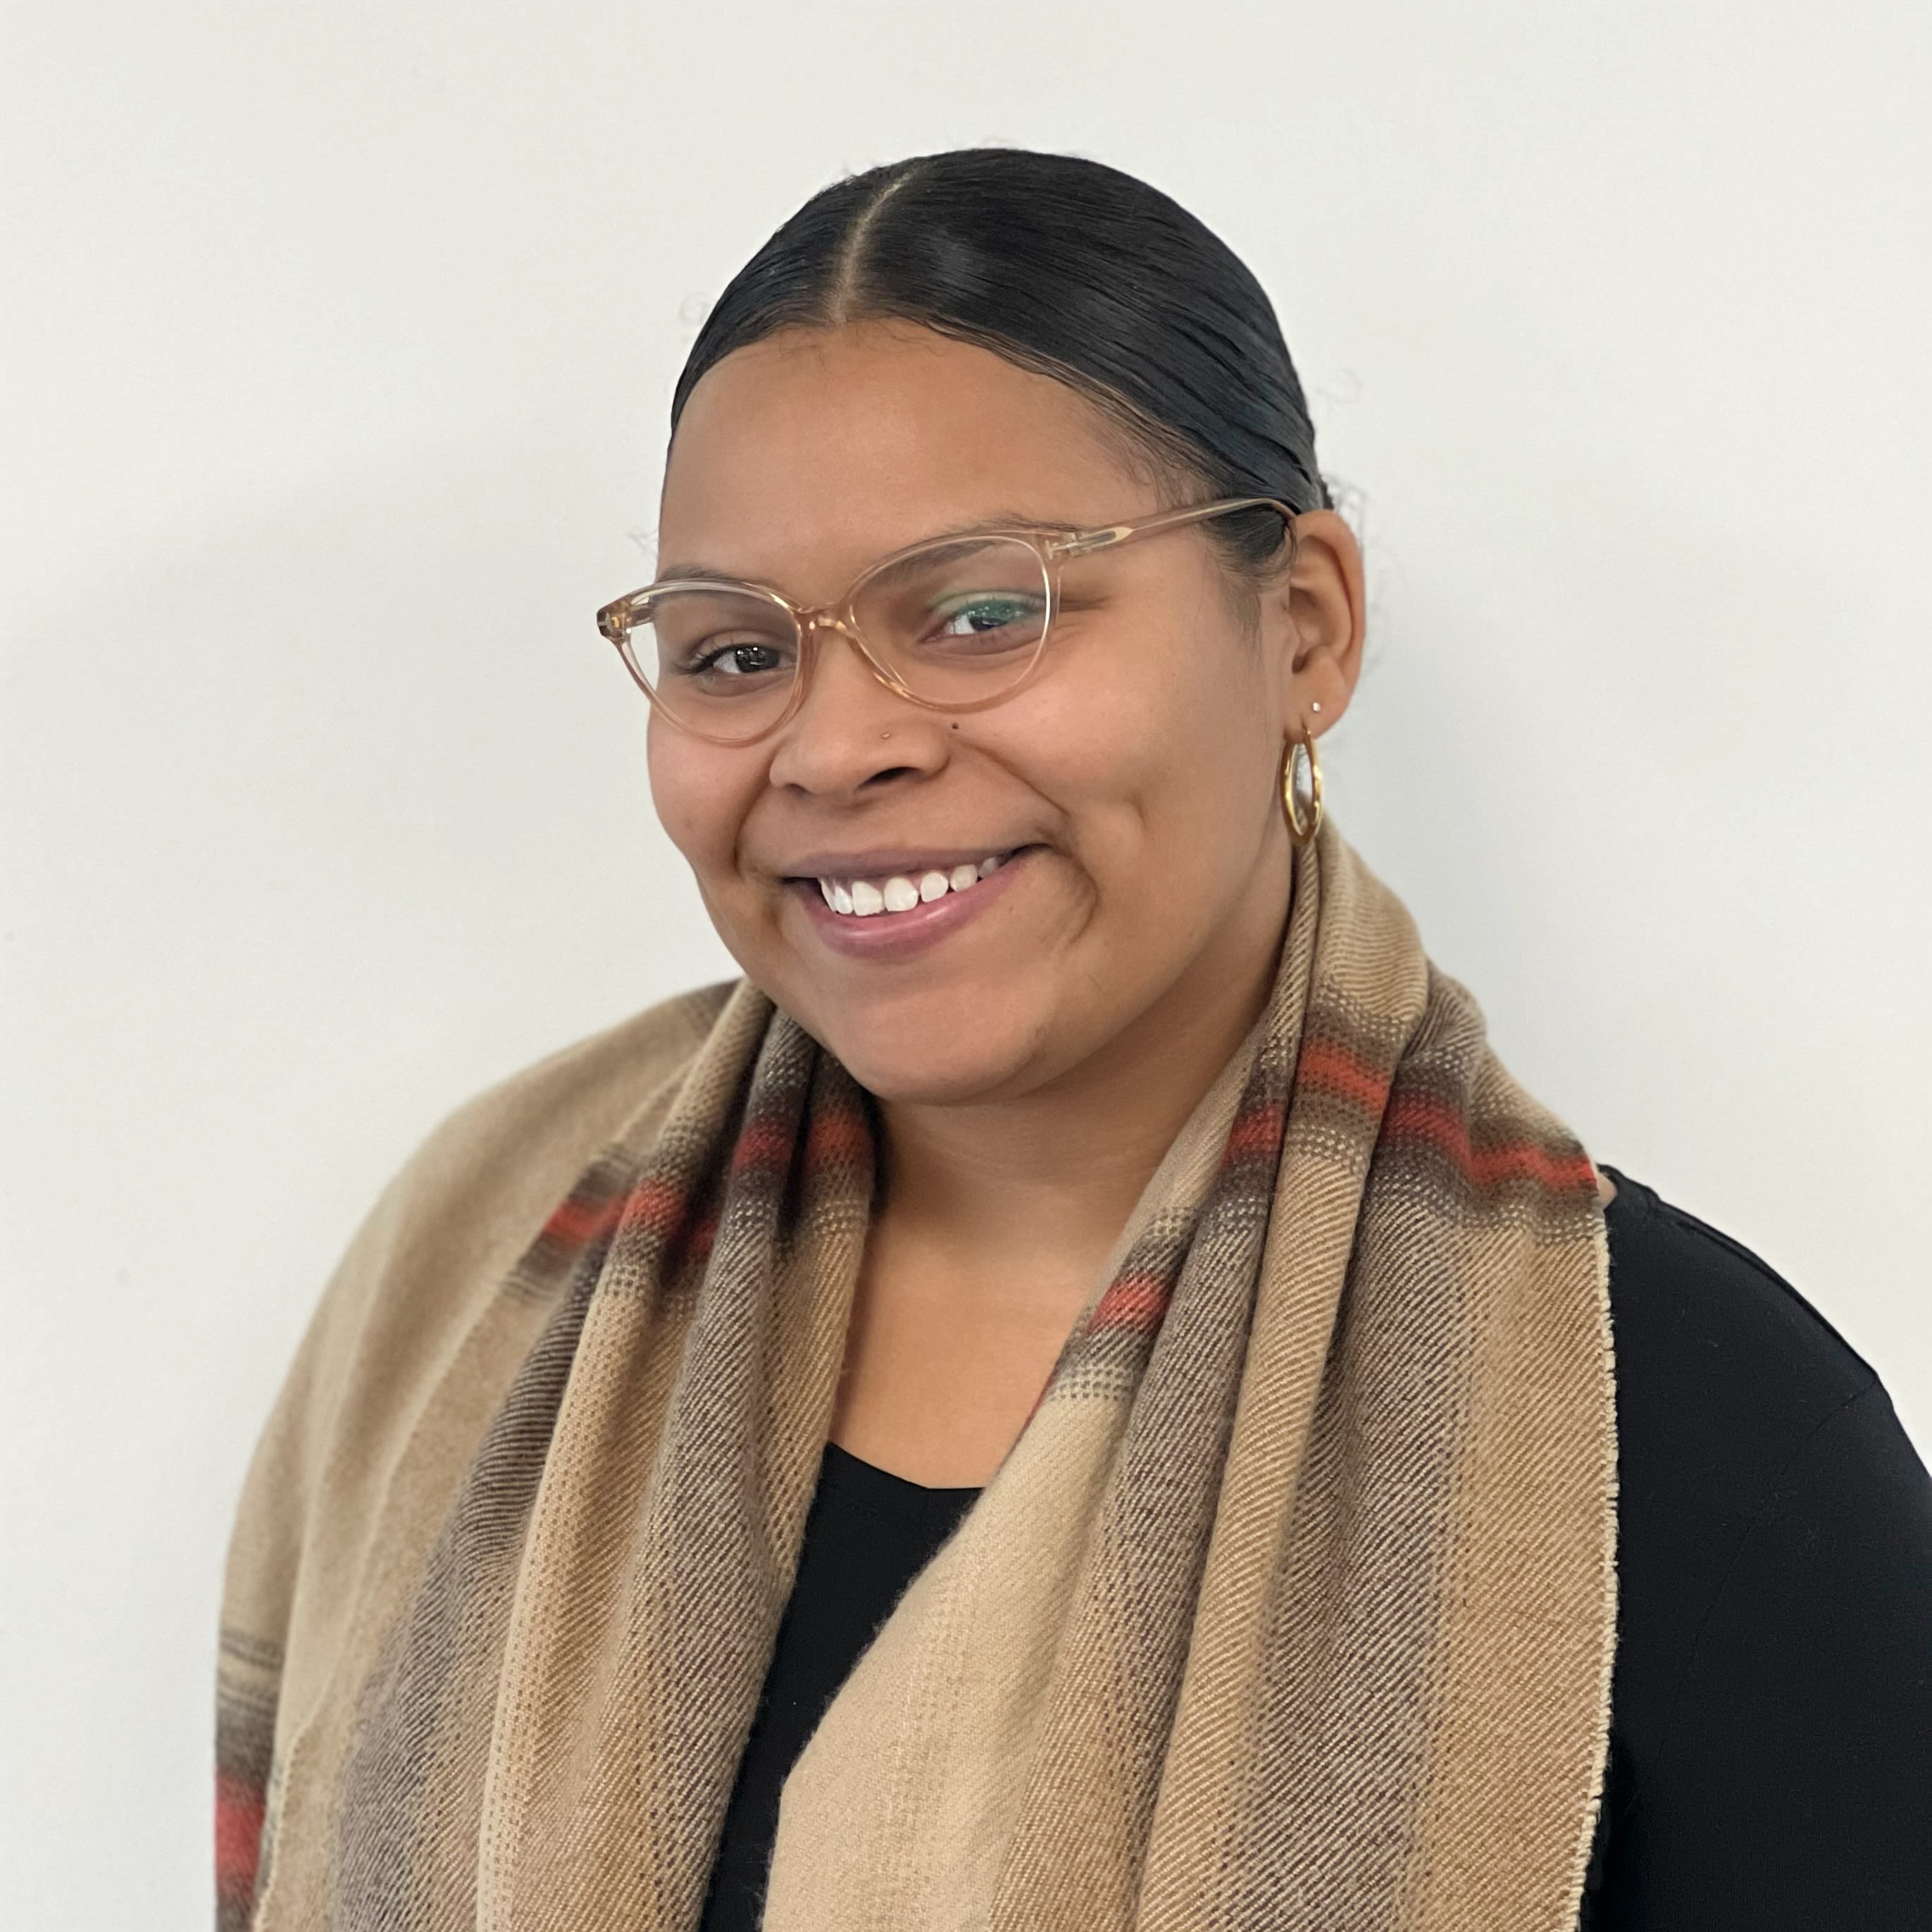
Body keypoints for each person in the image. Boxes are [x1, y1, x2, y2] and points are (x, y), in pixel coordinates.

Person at [216, 149, 1932, 1932]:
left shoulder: (1684, 1440)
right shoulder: (479, 1277)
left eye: (978, 611)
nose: (830, 747)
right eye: (732, 655)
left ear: (1305, 627)